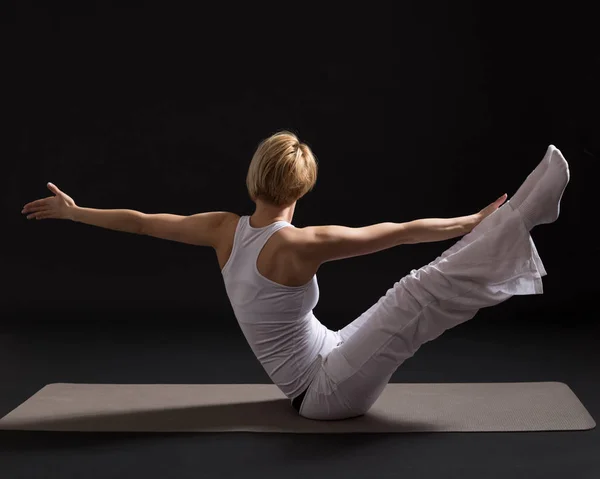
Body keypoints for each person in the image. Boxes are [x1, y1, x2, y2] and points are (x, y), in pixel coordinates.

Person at [21, 131, 570, 421]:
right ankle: (519, 219)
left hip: (328, 354)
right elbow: (400, 231)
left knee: (406, 292)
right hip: (325, 395)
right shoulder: (303, 243)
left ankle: (511, 227)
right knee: (419, 293)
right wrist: (472, 220)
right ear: (302, 189)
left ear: (254, 177)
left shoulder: (221, 229)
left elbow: (141, 223)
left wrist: (76, 212)